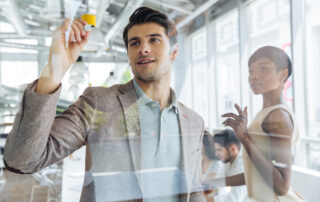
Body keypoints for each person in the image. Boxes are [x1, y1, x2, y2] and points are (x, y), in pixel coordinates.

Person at [3, 7, 206, 202]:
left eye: (154, 40)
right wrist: (54, 70)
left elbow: (193, 188)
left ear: (174, 52)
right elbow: (22, 160)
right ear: (128, 55)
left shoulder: (193, 123)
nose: (143, 48)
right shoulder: (99, 102)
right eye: (134, 43)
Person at [221, 46, 305, 201]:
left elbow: (281, 186)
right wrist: (212, 182)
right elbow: (257, 174)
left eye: (263, 69)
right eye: (251, 71)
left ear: (283, 74)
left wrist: (245, 137)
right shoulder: (267, 114)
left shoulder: (278, 116)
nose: (253, 76)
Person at [211, 129, 246, 202]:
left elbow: (235, 199)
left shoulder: (242, 164)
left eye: (219, 150)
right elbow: (217, 184)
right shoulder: (228, 161)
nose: (216, 154)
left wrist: (213, 199)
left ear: (232, 149)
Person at [200, 130, 222, 202]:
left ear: (205, 144)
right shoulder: (199, 162)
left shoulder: (217, 164)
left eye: (199, 142)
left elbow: (207, 188)